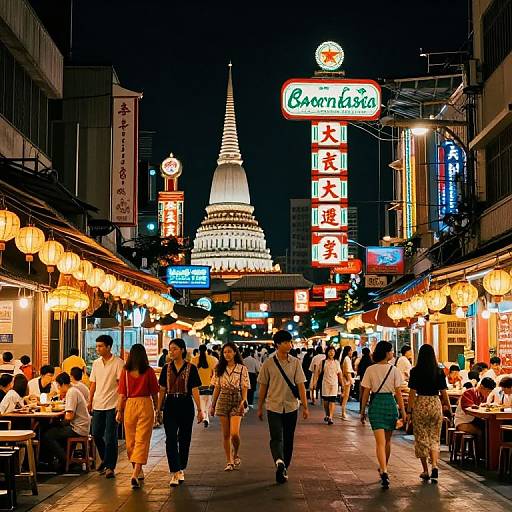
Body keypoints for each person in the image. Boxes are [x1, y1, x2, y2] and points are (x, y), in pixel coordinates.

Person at [257, 330, 308, 484]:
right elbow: (263, 387)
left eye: (290, 342)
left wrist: (305, 406)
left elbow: (301, 386)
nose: (289, 345)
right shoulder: (268, 363)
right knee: (276, 437)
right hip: (273, 406)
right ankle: (279, 461)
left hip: (292, 406)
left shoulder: (295, 362)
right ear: (278, 344)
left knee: (288, 438)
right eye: (286, 342)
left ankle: (283, 465)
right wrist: (259, 407)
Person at [360, 340, 406, 489]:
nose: (393, 353)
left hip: (376, 405)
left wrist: (362, 411)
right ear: (386, 353)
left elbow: (366, 392)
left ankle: (384, 470)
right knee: (387, 441)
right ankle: (384, 467)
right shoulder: (394, 370)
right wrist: (403, 412)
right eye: (391, 351)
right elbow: (398, 393)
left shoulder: (370, 370)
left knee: (379, 443)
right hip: (390, 405)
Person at [158, 338, 203, 487]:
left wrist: (200, 410)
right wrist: (158, 409)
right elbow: (162, 389)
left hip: (185, 404)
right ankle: (175, 471)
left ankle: (181, 467)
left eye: (175, 348)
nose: (172, 351)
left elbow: (195, 389)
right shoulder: (166, 368)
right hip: (170, 404)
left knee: (184, 438)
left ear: (182, 350)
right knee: (170, 438)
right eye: (170, 349)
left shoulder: (191, 368)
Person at [116, 344, 159, 489]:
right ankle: (137, 471)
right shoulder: (149, 371)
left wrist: (119, 411)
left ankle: (135, 472)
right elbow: (154, 392)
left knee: (131, 442)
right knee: (141, 440)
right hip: (145, 404)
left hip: (130, 405)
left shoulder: (125, 372)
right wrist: (158, 408)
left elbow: (121, 394)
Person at [407, 345, 452, 483]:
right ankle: (435, 465)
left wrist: (409, 411)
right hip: (434, 403)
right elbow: (444, 392)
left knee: (421, 437)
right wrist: (448, 408)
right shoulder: (438, 371)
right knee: (434, 437)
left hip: (421, 403)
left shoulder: (415, 371)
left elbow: (412, 393)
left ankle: (426, 470)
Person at [88, 334, 125, 479]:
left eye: (100, 346)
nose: (98, 348)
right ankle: (105, 459)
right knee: (96, 434)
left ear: (109, 347)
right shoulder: (96, 363)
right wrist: (90, 400)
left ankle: (110, 467)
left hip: (112, 404)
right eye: (97, 346)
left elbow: (120, 384)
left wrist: (120, 406)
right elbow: (93, 383)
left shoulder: (118, 363)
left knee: (110, 436)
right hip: (98, 404)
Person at [210, 342, 250, 471]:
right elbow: (217, 387)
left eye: (229, 351)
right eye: (225, 352)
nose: (227, 354)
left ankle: (236, 453)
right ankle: (229, 461)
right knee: (226, 434)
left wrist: (243, 400)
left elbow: (244, 386)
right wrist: (212, 405)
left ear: (234, 353)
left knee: (234, 433)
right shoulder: (218, 368)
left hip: (237, 399)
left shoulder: (242, 369)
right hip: (223, 399)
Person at [43, 372, 91, 471]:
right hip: (81, 426)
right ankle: (63, 461)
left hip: (78, 428)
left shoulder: (71, 392)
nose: (59, 389)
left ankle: (66, 461)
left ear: (63, 384)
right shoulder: (73, 390)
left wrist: (59, 423)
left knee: (48, 435)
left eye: (59, 386)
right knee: (54, 430)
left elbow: (69, 416)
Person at [454, 377, 496, 459]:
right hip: (462, 421)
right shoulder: (468, 392)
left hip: (473, 420)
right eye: (487, 391)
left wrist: (483, 406)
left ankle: (488, 455)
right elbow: (468, 409)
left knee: (489, 428)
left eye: (490, 392)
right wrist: (476, 407)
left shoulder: (482, 395)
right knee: (480, 431)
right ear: (481, 387)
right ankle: (479, 456)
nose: (488, 393)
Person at [311, 345, 343, 424]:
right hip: (325, 384)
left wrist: (342, 384)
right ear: (327, 352)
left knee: (332, 400)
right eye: (330, 351)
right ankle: (327, 414)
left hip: (334, 384)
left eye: (333, 351)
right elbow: (317, 373)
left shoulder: (337, 362)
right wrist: (314, 383)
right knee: (325, 401)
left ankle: (331, 417)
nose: (331, 353)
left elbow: (339, 374)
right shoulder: (323, 362)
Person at [192, 344, 217, 427]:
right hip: (209, 385)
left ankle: (205, 417)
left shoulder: (194, 360)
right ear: (206, 350)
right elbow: (215, 373)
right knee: (207, 402)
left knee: (201, 402)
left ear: (199, 350)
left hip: (198, 386)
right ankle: (206, 418)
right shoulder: (212, 359)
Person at [340, 345, 354, 420]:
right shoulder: (347, 359)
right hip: (346, 380)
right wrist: (350, 380)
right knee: (346, 396)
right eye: (351, 350)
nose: (352, 352)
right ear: (348, 351)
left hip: (344, 380)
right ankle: (343, 413)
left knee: (345, 396)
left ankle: (343, 412)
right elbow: (347, 371)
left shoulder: (344, 358)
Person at [357, 348, 373, 412]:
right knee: (367, 395)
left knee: (362, 395)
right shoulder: (370, 361)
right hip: (369, 381)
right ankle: (367, 409)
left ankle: (361, 409)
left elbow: (359, 371)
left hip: (362, 380)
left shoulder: (361, 361)